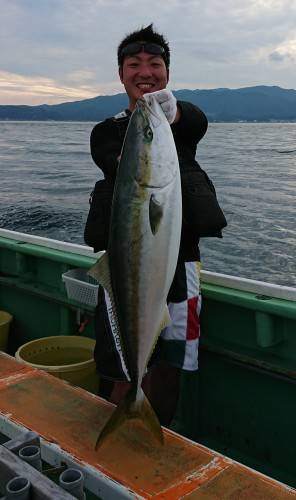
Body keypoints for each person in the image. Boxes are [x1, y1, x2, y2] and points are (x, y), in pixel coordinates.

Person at [84, 24, 227, 436]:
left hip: (181, 267)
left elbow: (195, 123)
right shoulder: (107, 133)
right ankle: (120, 429)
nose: (145, 72)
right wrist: (148, 125)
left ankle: (154, 430)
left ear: (167, 72)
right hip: (125, 266)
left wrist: (173, 114)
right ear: (121, 73)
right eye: (134, 64)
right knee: (121, 369)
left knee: (169, 367)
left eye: (155, 63)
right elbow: (116, 157)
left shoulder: (180, 123)